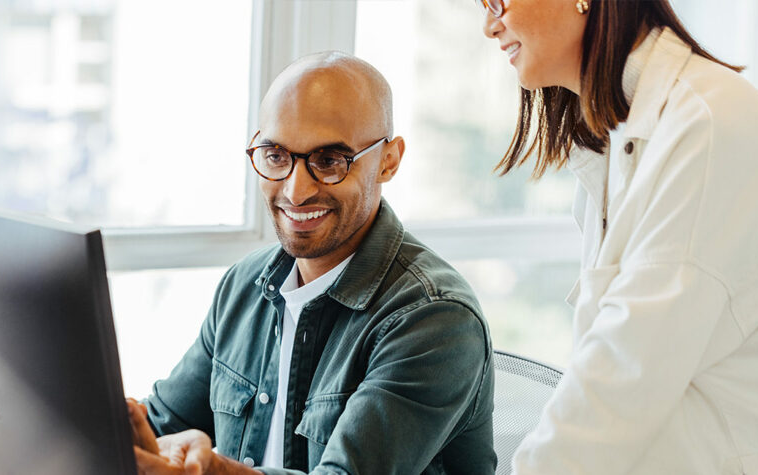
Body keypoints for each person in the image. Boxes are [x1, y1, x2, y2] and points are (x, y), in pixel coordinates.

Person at [125, 52, 497, 474]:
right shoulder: (244, 285)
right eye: (276, 155)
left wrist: (211, 470)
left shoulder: (434, 318)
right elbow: (160, 425)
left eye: (329, 161)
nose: (296, 191)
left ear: (389, 160)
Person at [476, 0, 758, 473]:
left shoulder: (707, 121)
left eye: (496, 1)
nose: (490, 26)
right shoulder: (612, 137)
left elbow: (623, 375)